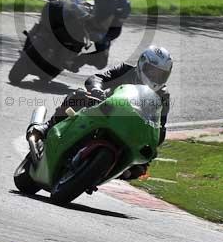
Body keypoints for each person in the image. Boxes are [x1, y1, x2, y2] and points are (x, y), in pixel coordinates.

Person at [28, 45, 173, 180]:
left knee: (141, 165)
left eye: (161, 75)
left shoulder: (163, 95)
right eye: (152, 71)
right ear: (142, 64)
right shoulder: (126, 70)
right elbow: (98, 78)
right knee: (80, 95)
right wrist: (97, 89)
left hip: (130, 127)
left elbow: (160, 125)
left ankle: (112, 169)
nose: (155, 77)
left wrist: (155, 139)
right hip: (105, 108)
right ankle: (48, 126)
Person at [47, 0, 131, 69]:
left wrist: (104, 39)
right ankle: (49, 34)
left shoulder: (124, 5)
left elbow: (116, 29)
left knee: (101, 62)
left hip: (103, 31)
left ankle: (76, 61)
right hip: (88, 18)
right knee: (65, 13)